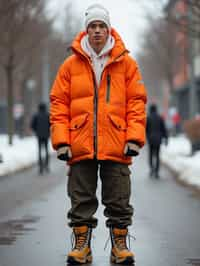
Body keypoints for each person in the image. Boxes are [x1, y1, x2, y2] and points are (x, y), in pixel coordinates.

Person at [50, 4, 147, 265]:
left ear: (108, 29)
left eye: (101, 26)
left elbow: (136, 102)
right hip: (80, 143)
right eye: (92, 26)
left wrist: (134, 139)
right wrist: (61, 141)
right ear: (86, 31)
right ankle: (82, 247)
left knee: (119, 198)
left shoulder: (126, 63)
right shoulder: (70, 65)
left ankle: (119, 247)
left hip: (117, 143)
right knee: (80, 199)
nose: (96, 31)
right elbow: (59, 103)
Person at [146, 104, 168, 178]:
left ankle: (152, 168)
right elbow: (164, 129)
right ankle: (157, 171)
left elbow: (145, 129)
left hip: (150, 139)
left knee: (151, 154)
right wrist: (166, 138)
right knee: (158, 155)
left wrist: (145, 137)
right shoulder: (160, 118)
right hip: (158, 139)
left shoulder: (148, 118)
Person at [31, 102, 50, 174]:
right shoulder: (48, 115)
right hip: (46, 135)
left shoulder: (36, 115)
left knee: (39, 151)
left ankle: (40, 167)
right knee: (46, 150)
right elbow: (51, 124)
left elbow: (32, 125)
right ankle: (47, 166)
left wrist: (36, 131)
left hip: (39, 135)